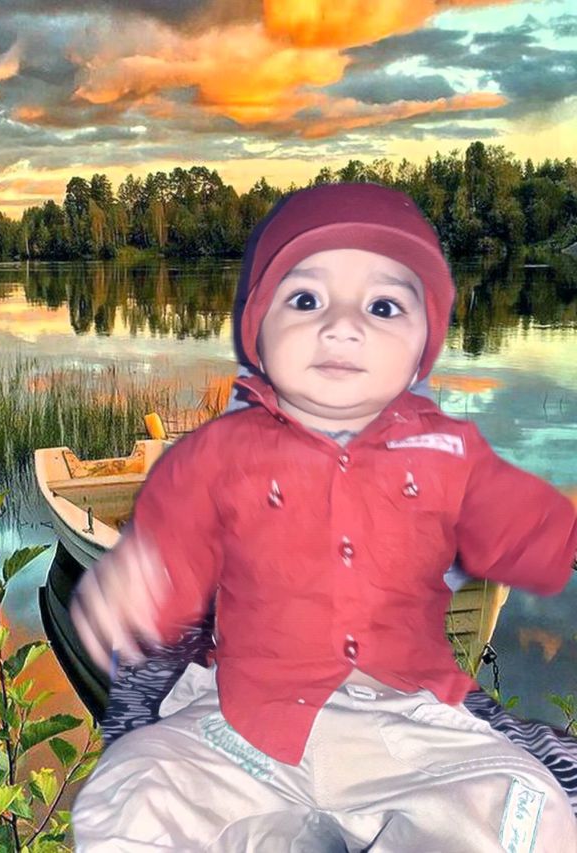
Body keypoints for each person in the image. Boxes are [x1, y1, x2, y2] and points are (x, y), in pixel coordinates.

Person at [70, 183, 577, 852]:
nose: (342, 326)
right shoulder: (217, 455)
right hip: (240, 719)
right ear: (258, 331)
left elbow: (533, 527)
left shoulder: (450, 455)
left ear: (421, 347)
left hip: (407, 725)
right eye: (306, 300)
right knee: (135, 789)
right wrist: (139, 582)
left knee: (529, 808)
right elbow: (174, 549)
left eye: (383, 306)